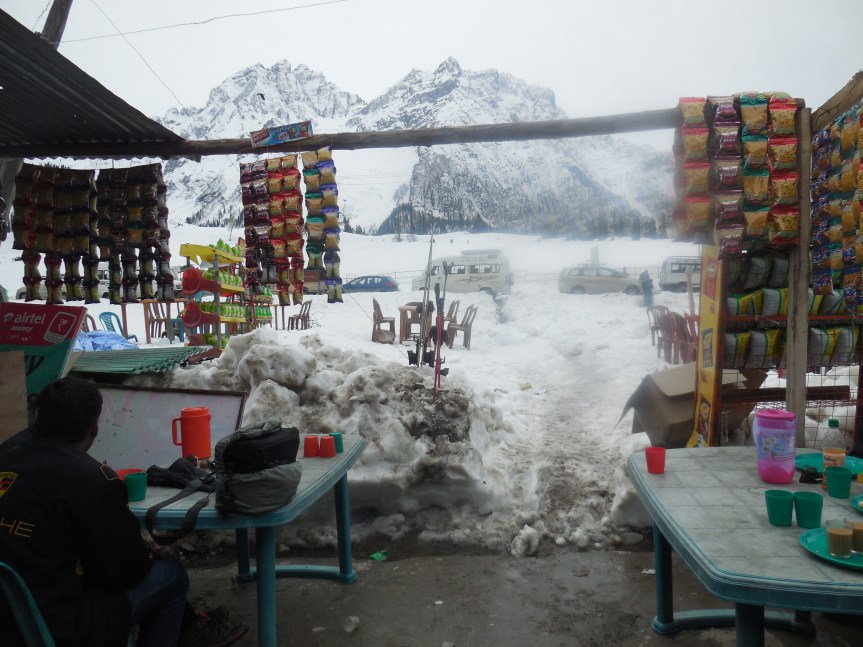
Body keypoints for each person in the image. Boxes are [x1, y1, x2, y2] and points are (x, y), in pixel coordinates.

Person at [0, 377, 246, 647]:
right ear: (93, 427)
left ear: (37, 415)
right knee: (170, 575)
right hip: (57, 628)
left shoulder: (6, 455)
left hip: (10, 614)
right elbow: (126, 573)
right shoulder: (93, 481)